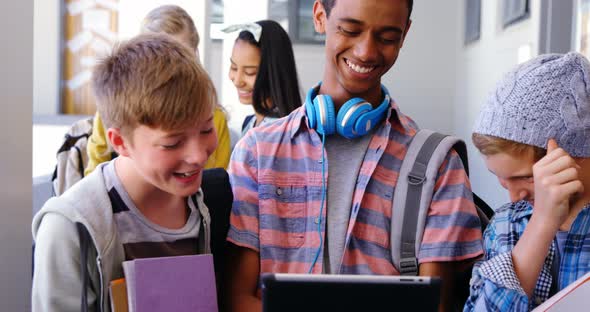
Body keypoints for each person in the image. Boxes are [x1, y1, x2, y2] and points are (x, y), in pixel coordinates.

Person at [225, 1, 484, 311]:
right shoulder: (256, 152)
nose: (366, 52)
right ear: (320, 17)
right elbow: (237, 298)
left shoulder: (437, 165)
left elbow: (434, 306)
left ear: (405, 35)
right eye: (350, 30)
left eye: (387, 37)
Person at [32, 33, 218, 312]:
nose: (199, 155)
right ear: (119, 142)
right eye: (172, 143)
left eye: (206, 129)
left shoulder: (203, 205)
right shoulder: (70, 228)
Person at [464, 52, 590, 311]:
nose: (513, 197)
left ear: (576, 154)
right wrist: (542, 223)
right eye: (500, 179)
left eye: (525, 177)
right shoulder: (505, 226)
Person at [85, 4, 230, 174]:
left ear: (195, 54)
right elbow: (94, 174)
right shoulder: (114, 113)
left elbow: (216, 184)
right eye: (159, 58)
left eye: (181, 55)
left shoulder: (214, 118)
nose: (172, 69)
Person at [225, 20, 302, 137]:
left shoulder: (277, 133)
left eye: (249, 72)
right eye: (234, 67)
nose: (237, 81)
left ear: (275, 73)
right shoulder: (250, 123)